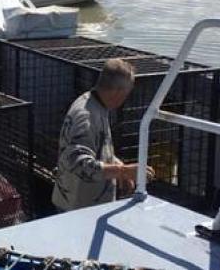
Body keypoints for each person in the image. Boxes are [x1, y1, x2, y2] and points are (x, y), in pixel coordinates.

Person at [52, 58, 154, 212]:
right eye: (126, 94)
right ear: (118, 92)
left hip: (84, 204)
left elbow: (98, 149)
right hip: (76, 209)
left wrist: (120, 170)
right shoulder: (86, 116)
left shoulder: (94, 103)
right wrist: (124, 171)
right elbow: (79, 164)